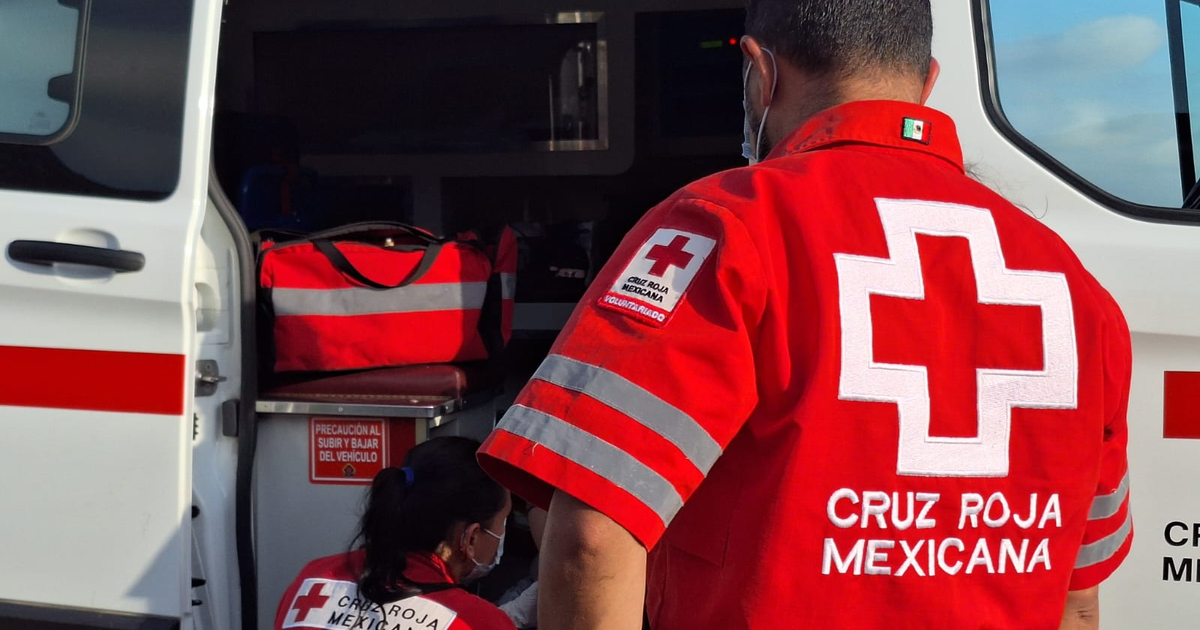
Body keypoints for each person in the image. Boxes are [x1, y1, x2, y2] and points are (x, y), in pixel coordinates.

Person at [477, 1, 1133, 629]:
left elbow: (593, 533)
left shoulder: (726, 231)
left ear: (761, 74)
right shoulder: (1075, 287)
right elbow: (1078, 602)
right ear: (928, 81)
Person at [276, 437, 517, 630]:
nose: (503, 532)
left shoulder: (313, 578)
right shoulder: (477, 621)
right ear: (470, 538)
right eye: (503, 521)